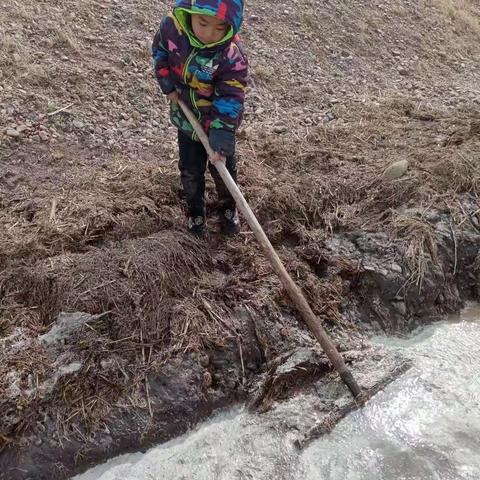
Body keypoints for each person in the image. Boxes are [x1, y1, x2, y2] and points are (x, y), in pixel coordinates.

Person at [152, 0, 248, 237]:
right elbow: (160, 52)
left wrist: (222, 133)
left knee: (224, 172)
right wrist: (166, 81)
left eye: (219, 28)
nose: (208, 34)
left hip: (217, 123)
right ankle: (196, 213)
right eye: (203, 23)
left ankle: (228, 208)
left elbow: (231, 95)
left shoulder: (230, 55)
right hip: (187, 121)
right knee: (191, 170)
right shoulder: (172, 29)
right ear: (189, 14)